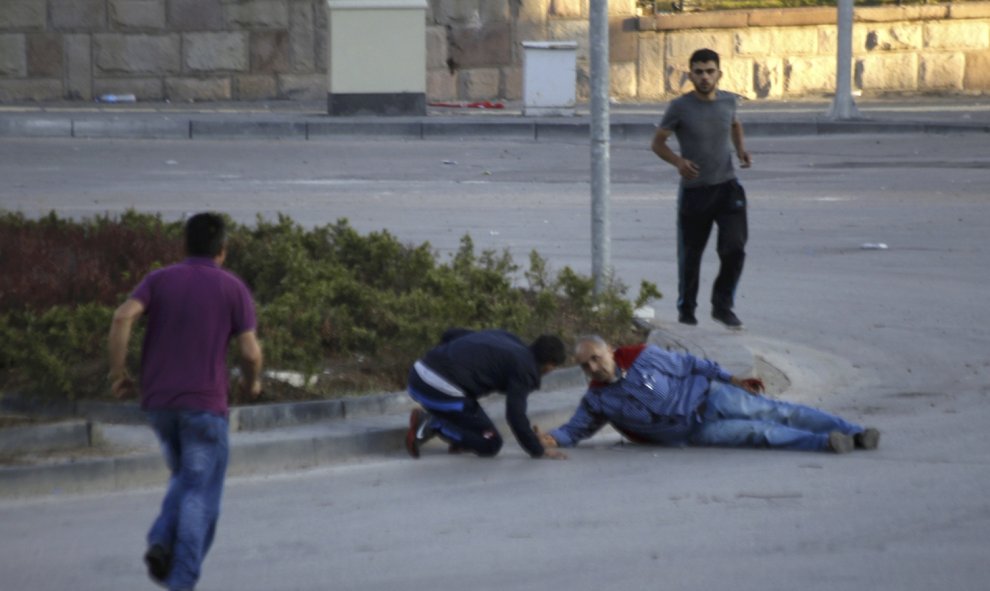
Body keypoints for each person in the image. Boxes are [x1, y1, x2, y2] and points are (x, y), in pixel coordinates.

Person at [108, 212, 263, 591]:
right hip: (205, 408)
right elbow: (251, 352)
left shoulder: (159, 279)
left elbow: (122, 317)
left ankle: (162, 541)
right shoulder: (232, 288)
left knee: (187, 477)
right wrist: (252, 384)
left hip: (160, 405)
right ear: (222, 251)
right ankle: (180, 579)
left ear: (184, 246)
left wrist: (117, 373)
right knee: (200, 494)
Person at [539, 336, 880, 454]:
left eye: (596, 358)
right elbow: (575, 430)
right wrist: (552, 439)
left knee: (779, 413)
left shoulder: (643, 355)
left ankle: (854, 432)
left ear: (610, 352)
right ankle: (827, 443)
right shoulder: (598, 400)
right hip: (695, 431)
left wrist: (732, 379)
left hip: (713, 397)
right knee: (761, 434)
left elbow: (691, 363)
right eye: (585, 366)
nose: (594, 368)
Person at [652, 48, 751, 330]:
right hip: (695, 192)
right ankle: (687, 311)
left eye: (710, 71)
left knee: (734, 247)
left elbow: (734, 124)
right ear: (690, 74)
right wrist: (678, 162)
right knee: (691, 256)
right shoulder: (679, 107)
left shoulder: (729, 101)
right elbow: (657, 143)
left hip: (728, 188)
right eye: (699, 71)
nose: (705, 77)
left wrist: (741, 149)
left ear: (719, 73)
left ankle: (722, 306)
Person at [405, 328, 568, 460]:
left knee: (472, 414)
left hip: (417, 373)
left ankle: (460, 437)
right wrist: (537, 450)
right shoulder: (525, 369)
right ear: (550, 366)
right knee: (491, 443)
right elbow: (515, 415)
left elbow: (451, 334)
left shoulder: (507, 338)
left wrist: (442, 360)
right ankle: (432, 424)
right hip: (436, 389)